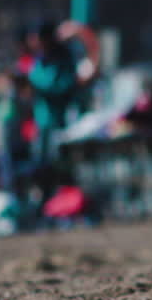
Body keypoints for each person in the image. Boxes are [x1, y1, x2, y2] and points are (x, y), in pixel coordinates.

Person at [26, 20, 99, 194]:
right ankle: (46, 199)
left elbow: (63, 87)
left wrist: (35, 84)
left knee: (58, 164)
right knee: (40, 164)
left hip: (60, 122)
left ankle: (63, 199)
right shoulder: (40, 60)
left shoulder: (63, 61)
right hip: (42, 121)